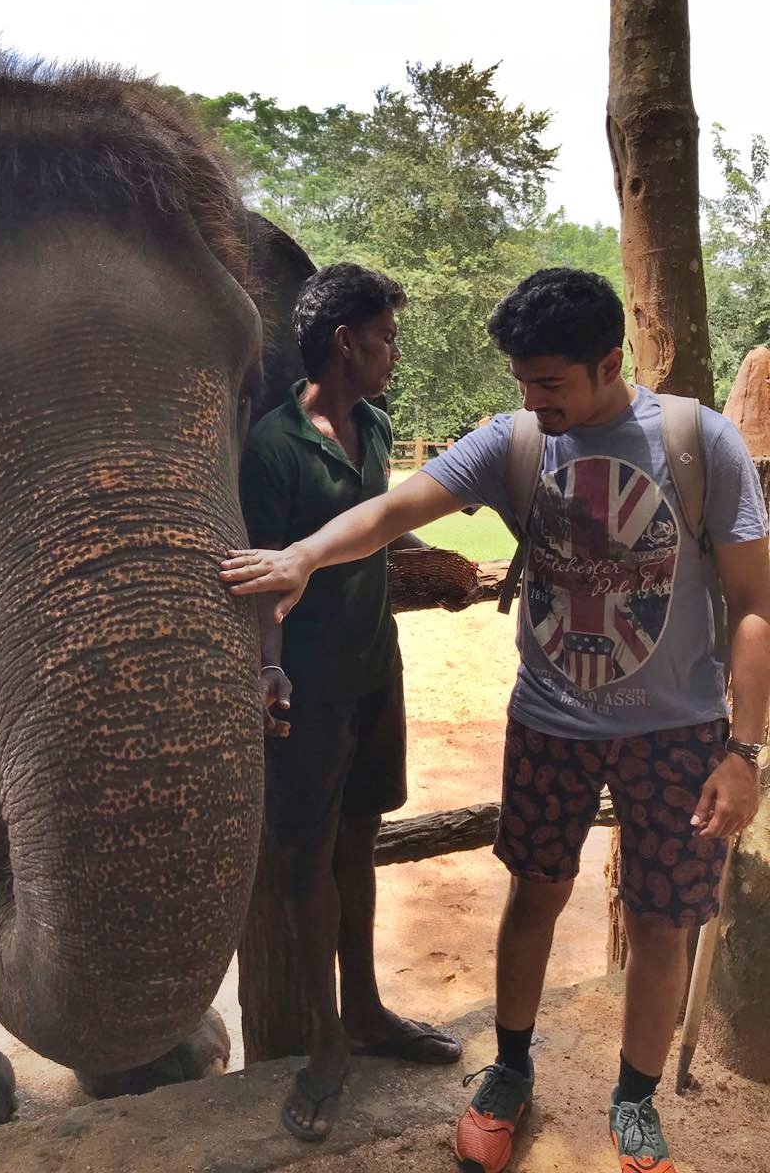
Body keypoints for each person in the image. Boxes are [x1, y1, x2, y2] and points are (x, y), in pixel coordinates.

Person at [223, 267, 770, 1173]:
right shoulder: (515, 441)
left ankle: (632, 1099)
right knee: (534, 894)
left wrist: (745, 751)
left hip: (677, 731)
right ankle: (511, 1070)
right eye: (523, 383)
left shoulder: (694, 442)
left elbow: (754, 605)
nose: (534, 402)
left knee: (664, 921)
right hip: (549, 721)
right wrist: (307, 555)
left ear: (608, 362)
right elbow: (397, 506)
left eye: (551, 383)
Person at [240, 262, 463, 1143]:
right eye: (386, 338)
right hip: (310, 688)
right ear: (344, 343)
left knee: (361, 839)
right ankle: (323, 1044)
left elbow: (370, 521)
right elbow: (265, 571)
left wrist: (420, 561)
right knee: (306, 859)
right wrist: (267, 670)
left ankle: (367, 1011)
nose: (395, 355)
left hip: (376, 669)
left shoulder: (370, 424)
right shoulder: (274, 448)